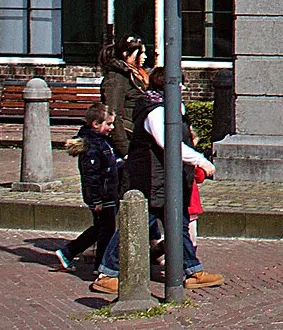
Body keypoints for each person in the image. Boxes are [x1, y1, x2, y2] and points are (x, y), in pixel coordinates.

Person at [90, 89, 222, 295]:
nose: (183, 90)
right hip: (150, 182)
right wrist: (201, 161)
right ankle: (107, 274)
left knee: (179, 225)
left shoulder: (172, 109)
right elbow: (170, 144)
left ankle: (193, 271)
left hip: (166, 181)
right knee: (138, 223)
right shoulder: (156, 112)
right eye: (179, 84)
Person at [57, 103, 121, 274]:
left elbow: (109, 163)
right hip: (102, 195)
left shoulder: (102, 141)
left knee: (102, 229)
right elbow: (91, 177)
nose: (111, 127)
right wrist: (96, 200)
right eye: (108, 124)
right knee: (105, 230)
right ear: (95, 124)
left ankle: (87, 259)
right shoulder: (92, 146)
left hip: (108, 193)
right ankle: (79, 256)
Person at [101, 36, 148, 157]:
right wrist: (124, 149)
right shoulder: (116, 78)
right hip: (129, 137)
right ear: (126, 54)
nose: (145, 57)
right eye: (140, 53)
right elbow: (113, 114)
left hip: (138, 135)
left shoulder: (137, 75)